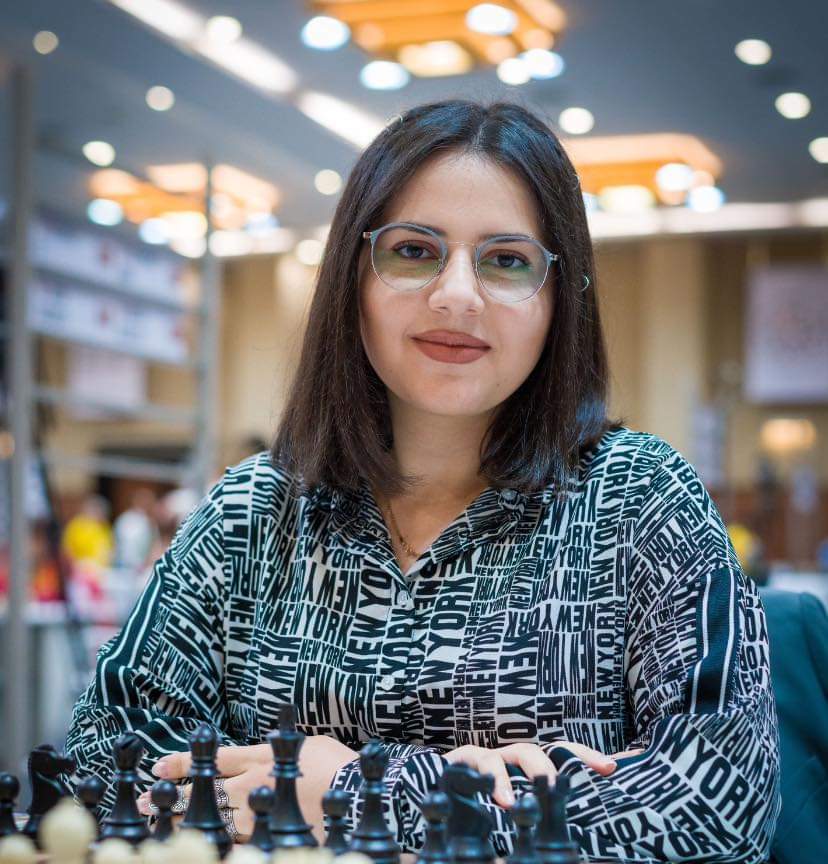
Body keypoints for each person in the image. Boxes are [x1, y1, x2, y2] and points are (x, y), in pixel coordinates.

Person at [65, 100, 780, 863]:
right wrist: (491, 794)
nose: (457, 294)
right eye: (413, 250)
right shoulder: (254, 509)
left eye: (507, 260)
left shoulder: (639, 500)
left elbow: (722, 806)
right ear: (352, 278)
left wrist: (363, 791)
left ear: (559, 299)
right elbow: (100, 758)